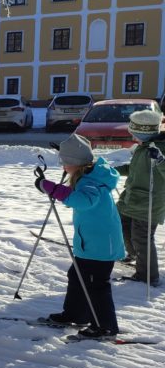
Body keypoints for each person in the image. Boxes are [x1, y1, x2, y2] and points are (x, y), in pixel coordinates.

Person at [34, 134, 124, 339]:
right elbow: (77, 197)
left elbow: (83, 201)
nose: (63, 166)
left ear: (75, 162)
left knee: (96, 285)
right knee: (77, 277)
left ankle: (105, 326)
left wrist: (51, 188)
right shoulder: (89, 178)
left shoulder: (91, 183)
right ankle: (76, 314)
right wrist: (54, 189)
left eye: (65, 162)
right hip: (90, 244)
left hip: (100, 247)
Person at [113, 110, 165, 287]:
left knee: (142, 238)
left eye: (134, 134)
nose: (132, 137)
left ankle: (148, 275)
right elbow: (133, 168)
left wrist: (160, 160)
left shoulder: (159, 149)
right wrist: (112, 170)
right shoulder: (143, 148)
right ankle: (135, 253)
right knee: (120, 223)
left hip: (149, 203)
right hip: (131, 198)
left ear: (145, 133)